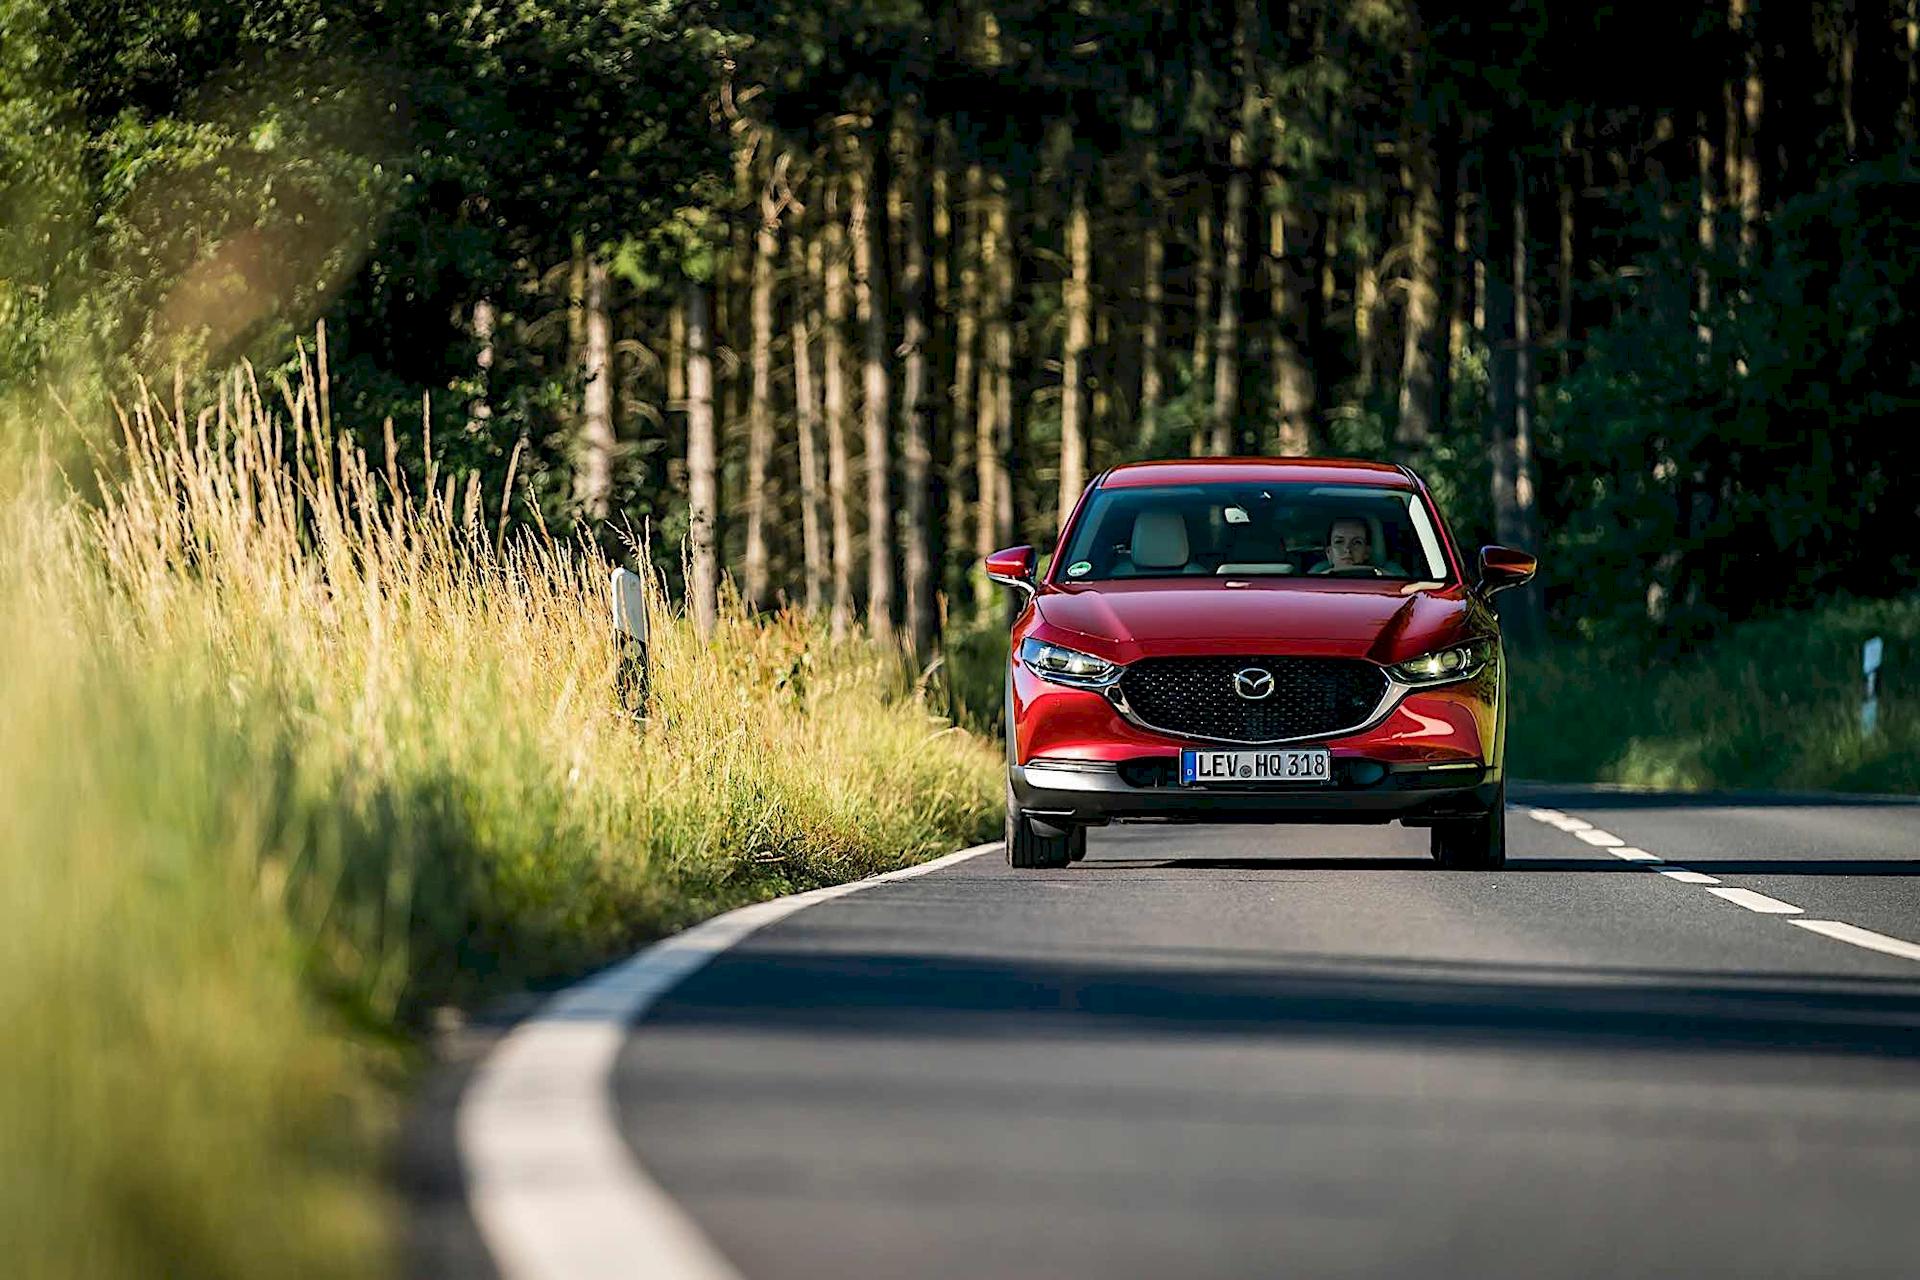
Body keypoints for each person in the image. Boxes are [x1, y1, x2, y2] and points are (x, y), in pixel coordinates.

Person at [1308, 516, 1407, 576]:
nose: (1347, 549)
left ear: (1367, 552)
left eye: (1356, 542)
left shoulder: (1390, 577)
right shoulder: (1311, 582)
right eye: (1339, 542)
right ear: (1329, 552)